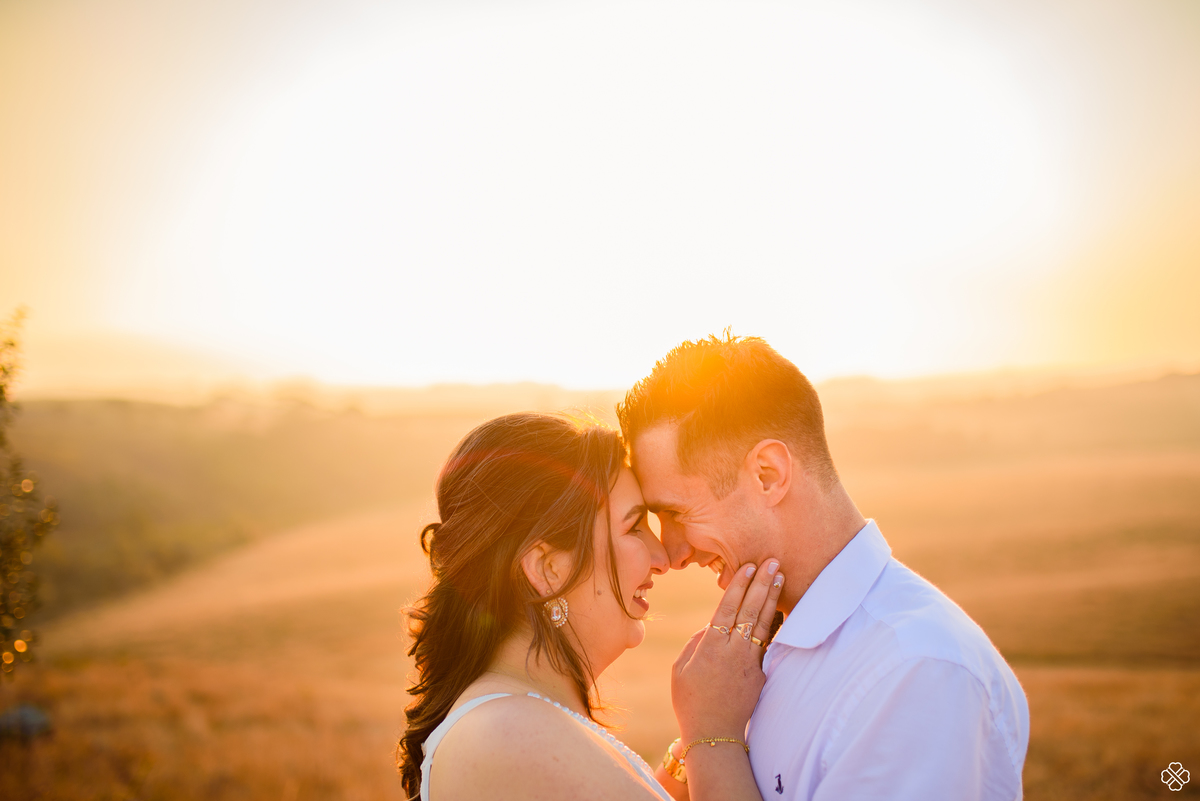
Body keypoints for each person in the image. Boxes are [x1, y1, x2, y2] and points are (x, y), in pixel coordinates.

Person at [620, 334, 1030, 801]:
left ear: (767, 475)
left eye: (675, 513)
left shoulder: (919, 671)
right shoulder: (760, 653)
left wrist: (711, 736)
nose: (673, 554)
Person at [397, 412, 783, 801]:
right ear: (549, 569)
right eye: (632, 527)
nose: (661, 557)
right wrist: (713, 734)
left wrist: (683, 762)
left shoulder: (516, 723)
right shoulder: (508, 734)